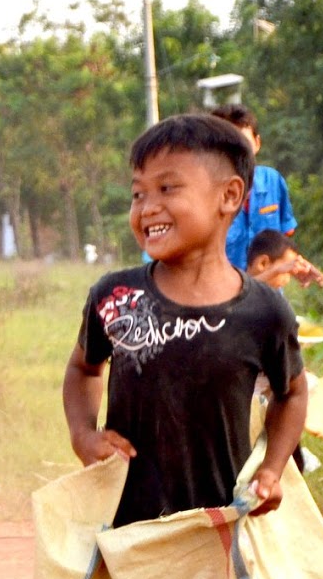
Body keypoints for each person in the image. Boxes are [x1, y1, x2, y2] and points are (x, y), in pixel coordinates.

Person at [63, 113, 307, 529]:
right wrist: (83, 435)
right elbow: (83, 369)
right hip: (128, 527)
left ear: (229, 196)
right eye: (138, 194)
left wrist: (272, 469)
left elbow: (293, 394)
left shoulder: (264, 312)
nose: (147, 207)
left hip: (221, 524)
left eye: (167, 188)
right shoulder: (117, 296)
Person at [210, 105, 296, 273]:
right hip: (224, 292)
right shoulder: (203, 194)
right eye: (227, 147)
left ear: (257, 143)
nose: (237, 155)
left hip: (270, 291)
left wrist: (295, 266)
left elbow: (285, 235)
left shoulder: (273, 181)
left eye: (244, 145)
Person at [246, 229, 323, 292]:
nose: (287, 281)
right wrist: (275, 271)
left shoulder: (272, 301)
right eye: (284, 272)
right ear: (263, 263)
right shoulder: (235, 287)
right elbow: (241, 293)